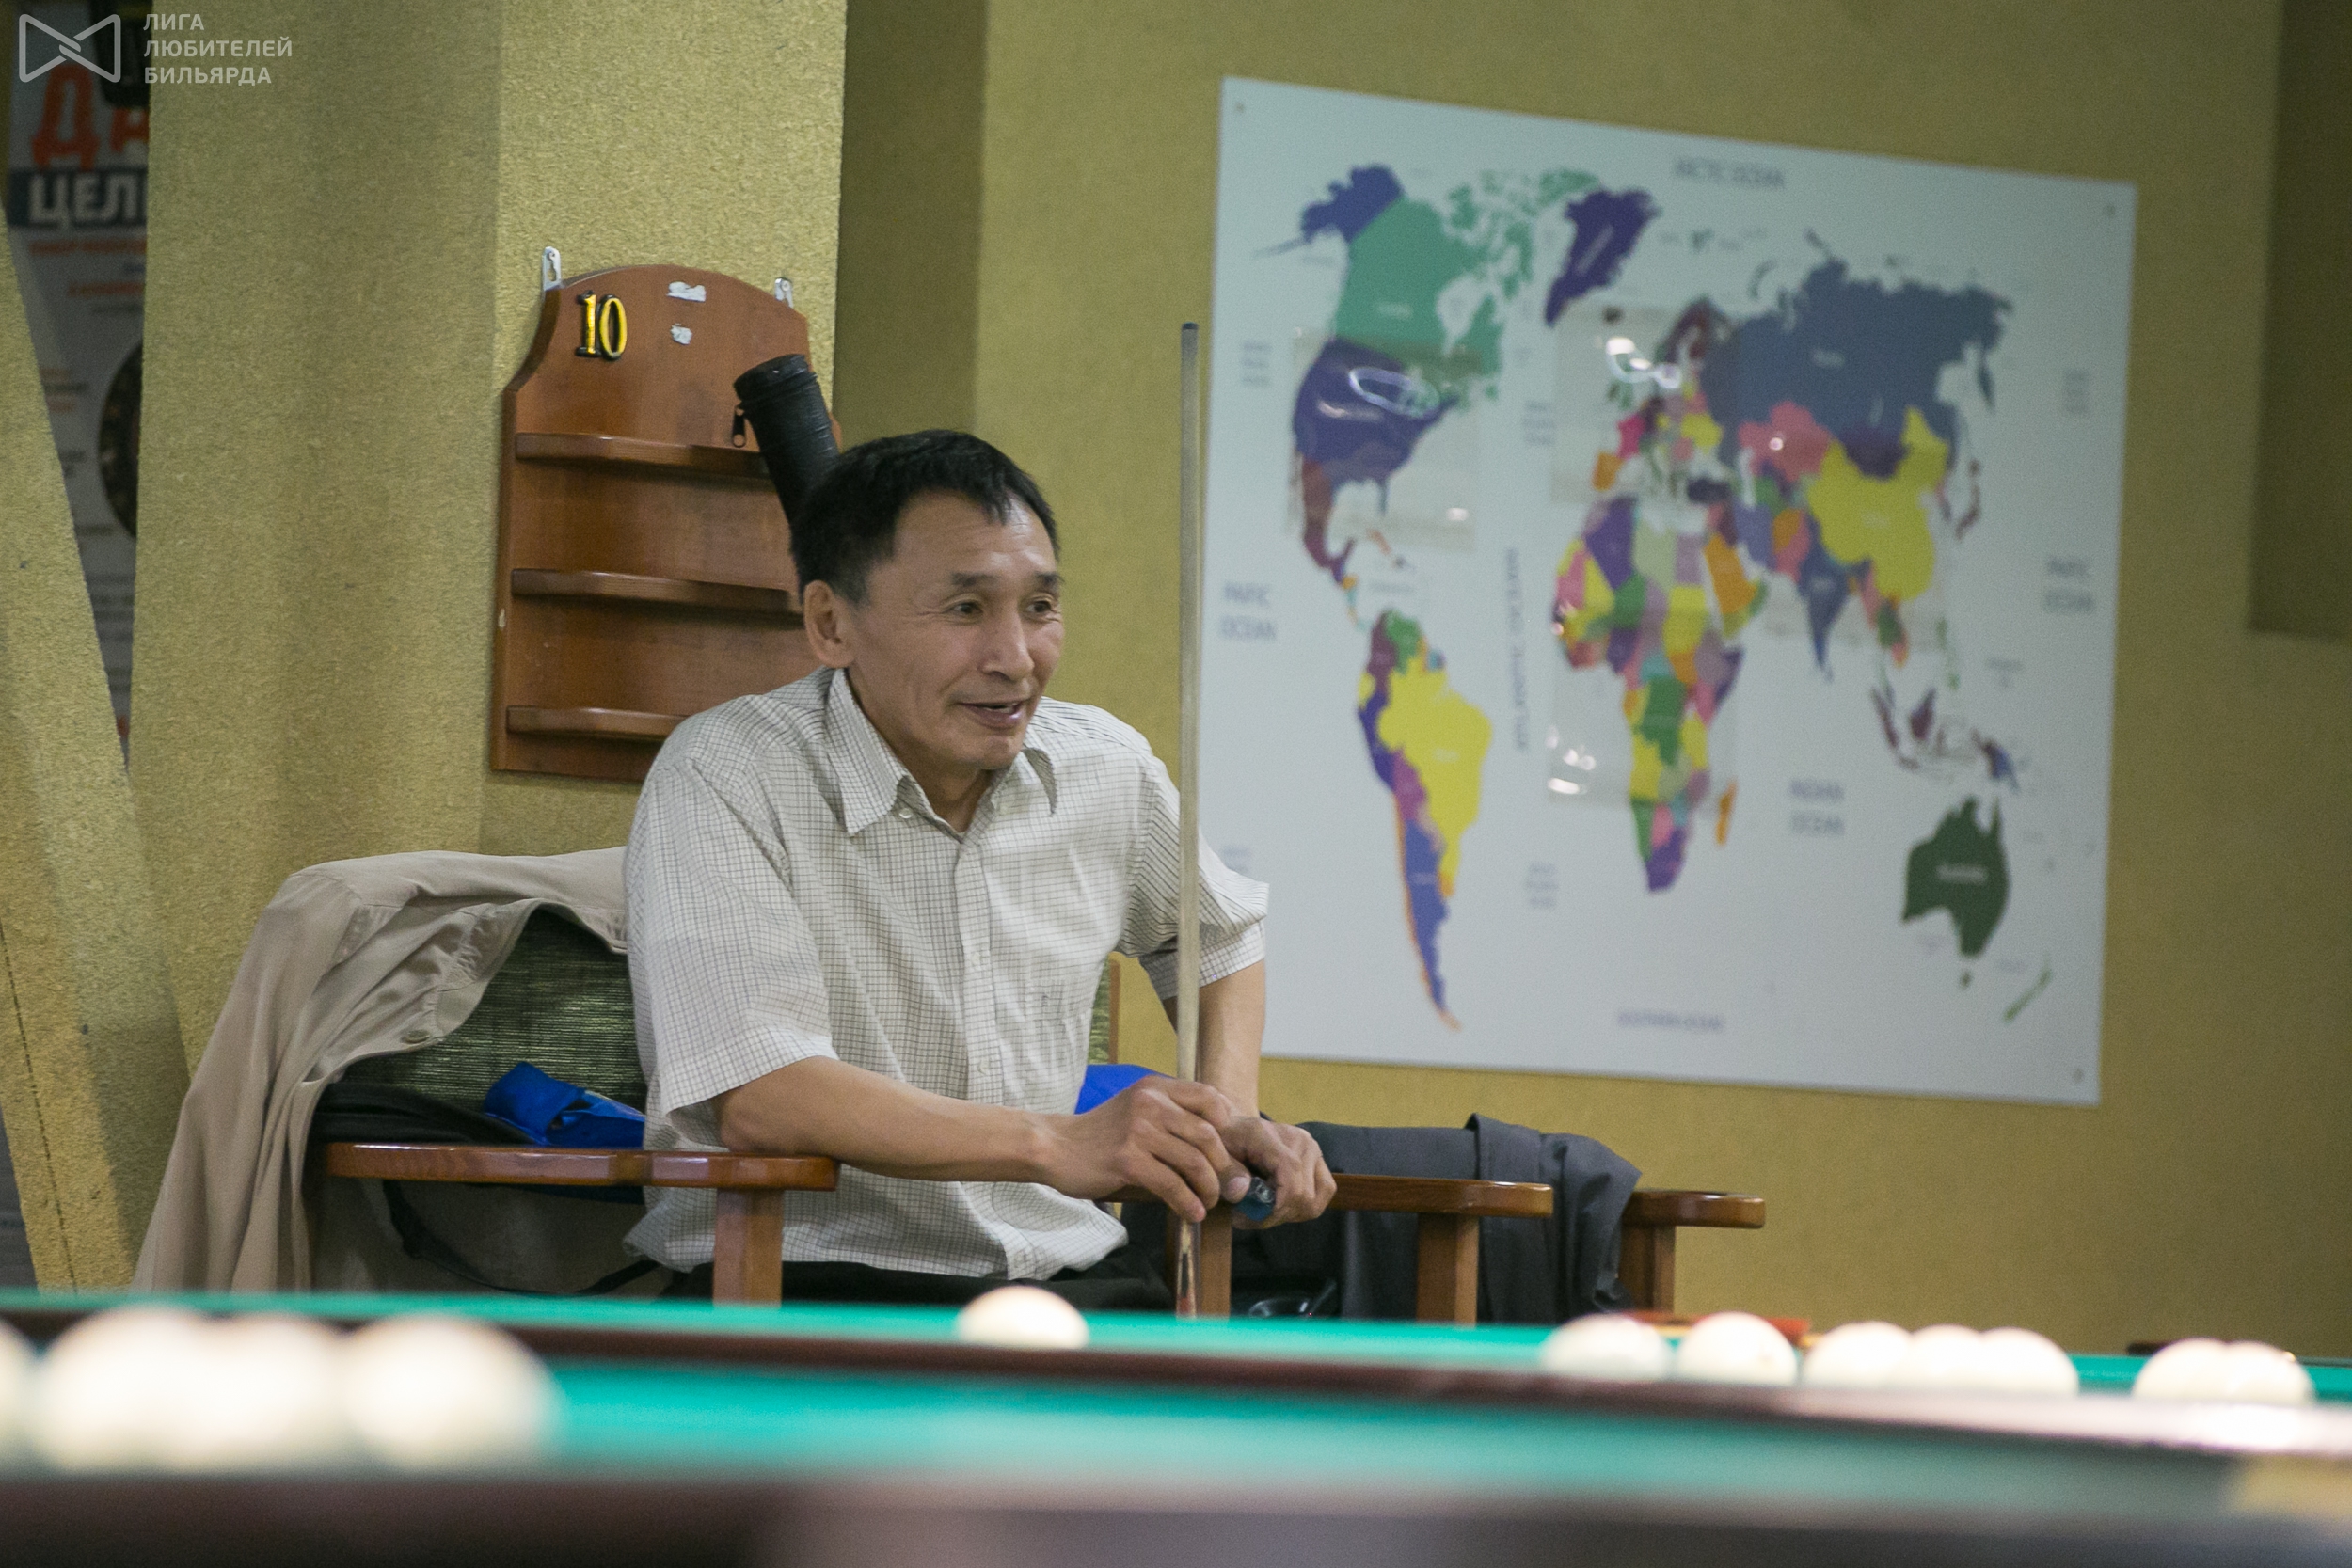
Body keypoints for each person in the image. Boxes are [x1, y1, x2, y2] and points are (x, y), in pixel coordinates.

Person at [624, 429, 1335, 1307]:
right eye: (966, 609)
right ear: (831, 623)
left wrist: (1225, 1122)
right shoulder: (725, 771)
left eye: (1039, 607)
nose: (1016, 657)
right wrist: (1056, 1143)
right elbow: (763, 1093)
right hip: (812, 1290)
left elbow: (1219, 939)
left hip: (1070, 1284)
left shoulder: (1106, 766)